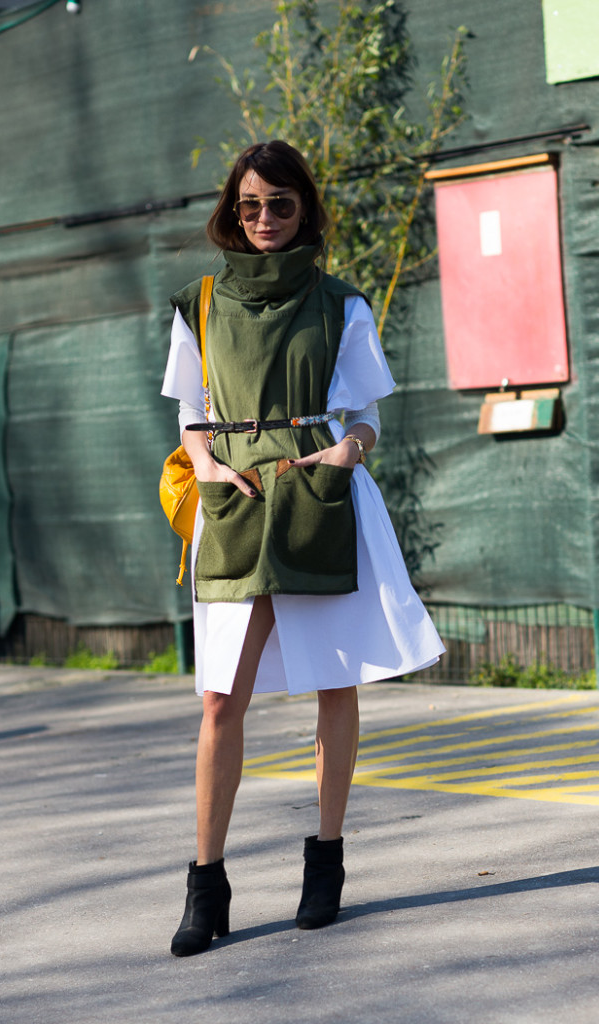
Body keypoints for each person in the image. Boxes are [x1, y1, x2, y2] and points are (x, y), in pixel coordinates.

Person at [161, 139, 444, 957]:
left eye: (280, 205)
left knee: (333, 683)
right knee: (221, 698)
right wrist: (209, 463)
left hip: (318, 492)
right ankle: (205, 885)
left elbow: (365, 416)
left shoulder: (341, 303)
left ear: (304, 210)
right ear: (230, 209)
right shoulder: (200, 303)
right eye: (249, 205)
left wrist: (345, 451)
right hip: (235, 499)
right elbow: (189, 408)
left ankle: (325, 865)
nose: (263, 219)